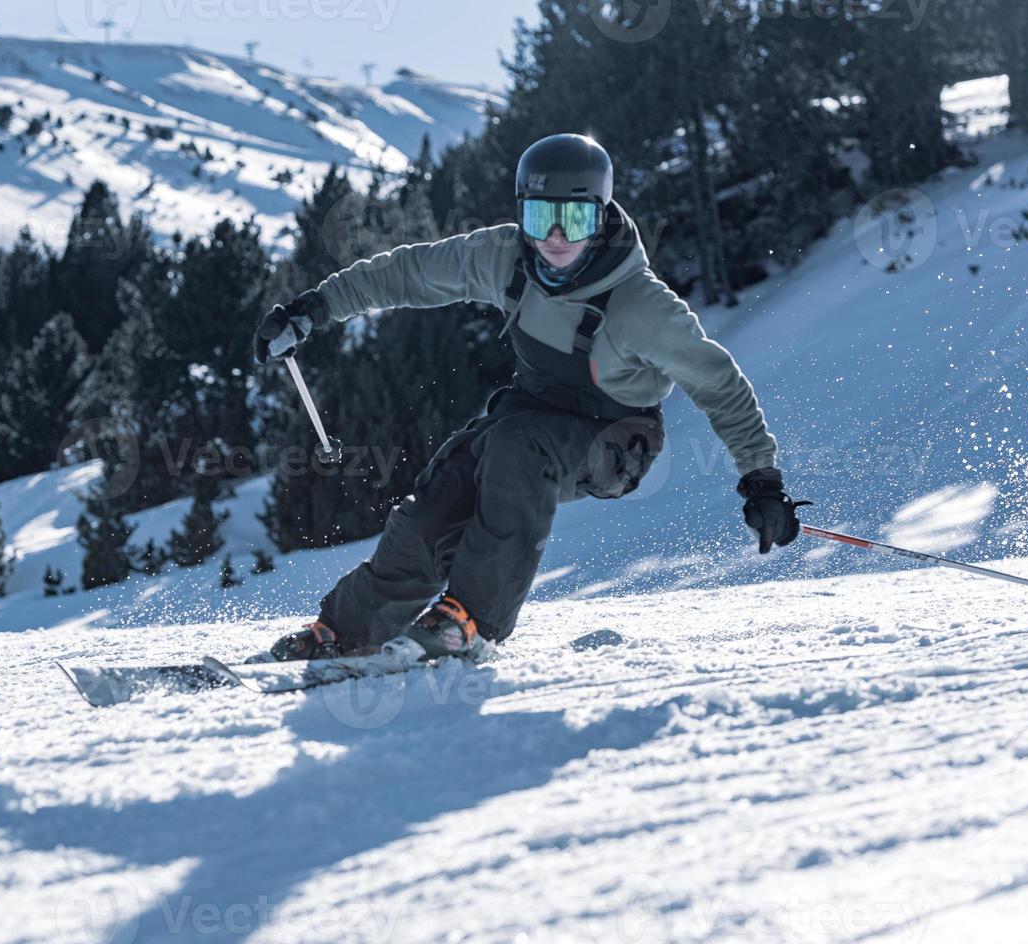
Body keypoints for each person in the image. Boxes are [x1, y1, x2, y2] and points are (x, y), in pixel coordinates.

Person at [254, 134, 803, 662]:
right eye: (542, 218)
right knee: (442, 495)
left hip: (616, 436)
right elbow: (411, 273)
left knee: (518, 446)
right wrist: (315, 309)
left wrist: (763, 480)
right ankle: (348, 632)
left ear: (602, 214)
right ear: (523, 213)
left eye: (577, 219)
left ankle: (468, 622)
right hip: (532, 412)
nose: (557, 238)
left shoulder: (641, 304)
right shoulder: (504, 257)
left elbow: (719, 382)